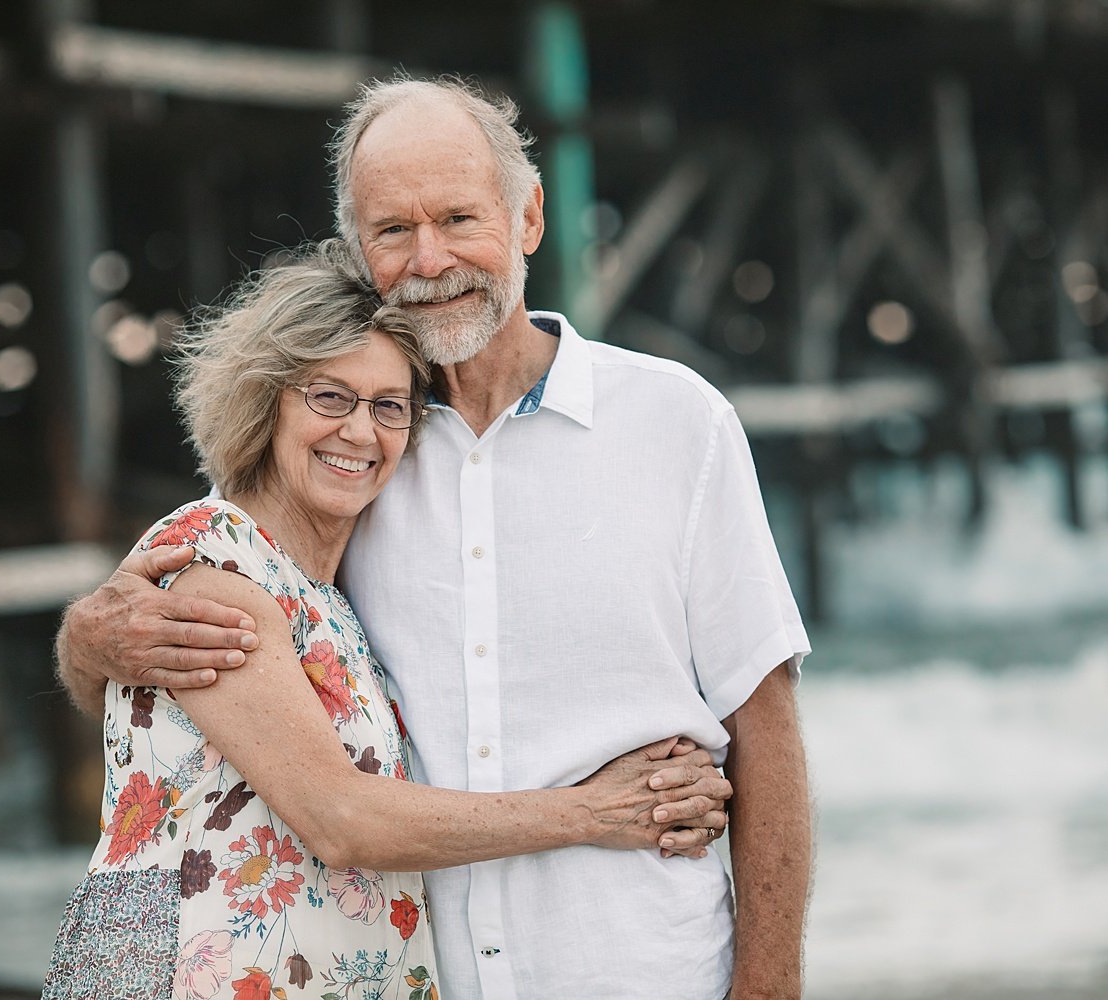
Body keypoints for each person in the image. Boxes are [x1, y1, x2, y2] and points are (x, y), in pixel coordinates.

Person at [58, 76, 812, 1000]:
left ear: (529, 216)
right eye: (392, 230)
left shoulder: (676, 423)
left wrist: (768, 989)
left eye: (460, 217)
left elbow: (765, 725)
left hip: (640, 969)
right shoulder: (342, 465)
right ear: (355, 249)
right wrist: (84, 639)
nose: (430, 258)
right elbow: (168, 616)